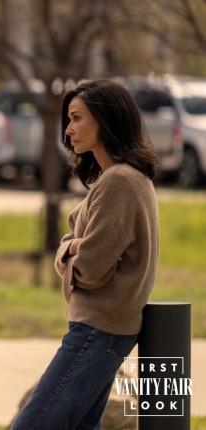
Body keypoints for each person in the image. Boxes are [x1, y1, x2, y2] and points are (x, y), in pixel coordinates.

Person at [12, 79, 159, 429]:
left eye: (77, 118)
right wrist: (74, 246)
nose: (68, 129)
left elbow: (91, 269)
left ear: (105, 120)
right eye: (69, 119)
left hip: (97, 329)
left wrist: (70, 249)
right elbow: (82, 248)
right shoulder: (124, 178)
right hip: (104, 329)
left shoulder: (119, 181)